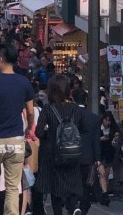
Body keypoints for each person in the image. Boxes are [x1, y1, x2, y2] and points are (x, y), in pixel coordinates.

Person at [0, 42, 36, 215]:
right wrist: (29, 128)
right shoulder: (24, 82)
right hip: (16, 140)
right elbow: (30, 111)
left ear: (1, 59)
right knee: (13, 185)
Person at [34, 74, 85, 215]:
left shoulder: (48, 109)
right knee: (72, 181)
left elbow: (38, 132)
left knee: (55, 188)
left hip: (53, 153)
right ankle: (73, 207)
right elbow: (83, 128)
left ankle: (58, 212)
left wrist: (49, 133)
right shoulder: (75, 108)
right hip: (72, 151)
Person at [72, 88, 101, 215]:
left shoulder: (70, 116)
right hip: (88, 155)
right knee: (86, 183)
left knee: (72, 181)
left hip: (71, 154)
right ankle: (83, 208)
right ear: (86, 100)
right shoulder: (94, 118)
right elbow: (96, 140)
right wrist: (98, 158)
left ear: (73, 99)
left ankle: (73, 205)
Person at [97, 110, 120, 206]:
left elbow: (116, 143)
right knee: (102, 174)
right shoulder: (98, 128)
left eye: (109, 121)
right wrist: (100, 139)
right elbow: (94, 140)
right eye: (106, 120)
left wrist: (114, 141)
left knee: (106, 175)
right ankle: (105, 194)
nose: (107, 122)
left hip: (109, 154)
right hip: (100, 154)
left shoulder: (114, 130)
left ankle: (103, 194)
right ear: (103, 119)